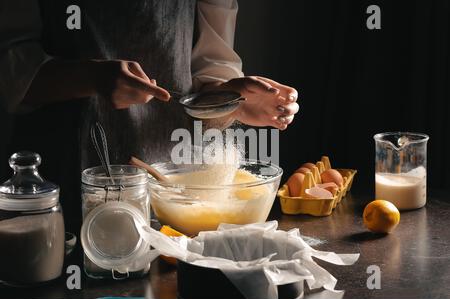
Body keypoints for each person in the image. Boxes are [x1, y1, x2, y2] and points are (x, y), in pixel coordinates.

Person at [0, 0, 299, 231]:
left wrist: (230, 102)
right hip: (56, 181)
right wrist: (90, 77)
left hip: (169, 187)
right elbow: (11, 75)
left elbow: (207, 79)